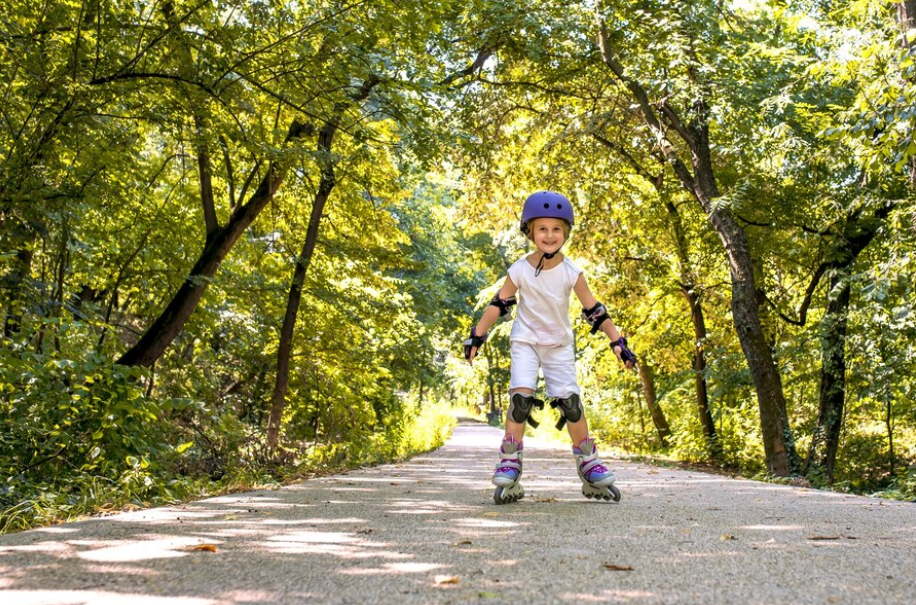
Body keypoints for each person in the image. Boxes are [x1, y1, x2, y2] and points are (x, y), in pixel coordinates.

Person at [463, 190, 636, 504]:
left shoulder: (572, 273)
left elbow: (594, 310)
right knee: (520, 398)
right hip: (525, 341)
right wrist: (477, 335)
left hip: (558, 345)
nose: (549, 235)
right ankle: (510, 457)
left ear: (566, 233)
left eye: (557, 229)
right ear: (530, 232)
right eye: (542, 228)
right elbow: (498, 303)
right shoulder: (518, 270)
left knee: (570, 403)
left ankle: (588, 460)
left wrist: (617, 342)